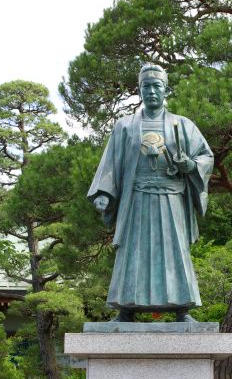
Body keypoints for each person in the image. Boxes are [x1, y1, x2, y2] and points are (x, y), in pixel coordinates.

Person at [88, 64, 214, 322]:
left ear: (166, 89)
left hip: (171, 200)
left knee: (174, 251)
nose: (152, 91)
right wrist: (104, 192)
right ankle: (126, 308)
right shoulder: (125, 126)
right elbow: (110, 163)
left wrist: (190, 165)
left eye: (157, 86)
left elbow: (205, 156)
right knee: (133, 251)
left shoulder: (183, 125)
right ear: (140, 90)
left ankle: (182, 309)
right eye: (147, 86)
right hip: (136, 200)